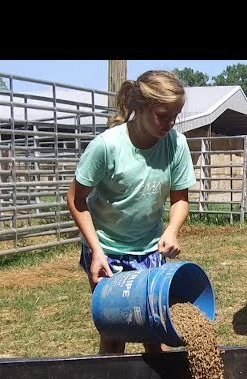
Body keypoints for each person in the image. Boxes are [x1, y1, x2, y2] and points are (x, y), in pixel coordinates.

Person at [67, 70, 196, 355]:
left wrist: (172, 230)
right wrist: (96, 250)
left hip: (149, 248)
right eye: (162, 115)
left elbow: (180, 198)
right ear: (139, 107)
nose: (170, 123)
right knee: (115, 334)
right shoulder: (108, 146)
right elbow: (76, 199)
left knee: (154, 328)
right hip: (108, 249)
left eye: (176, 115)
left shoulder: (176, 144)